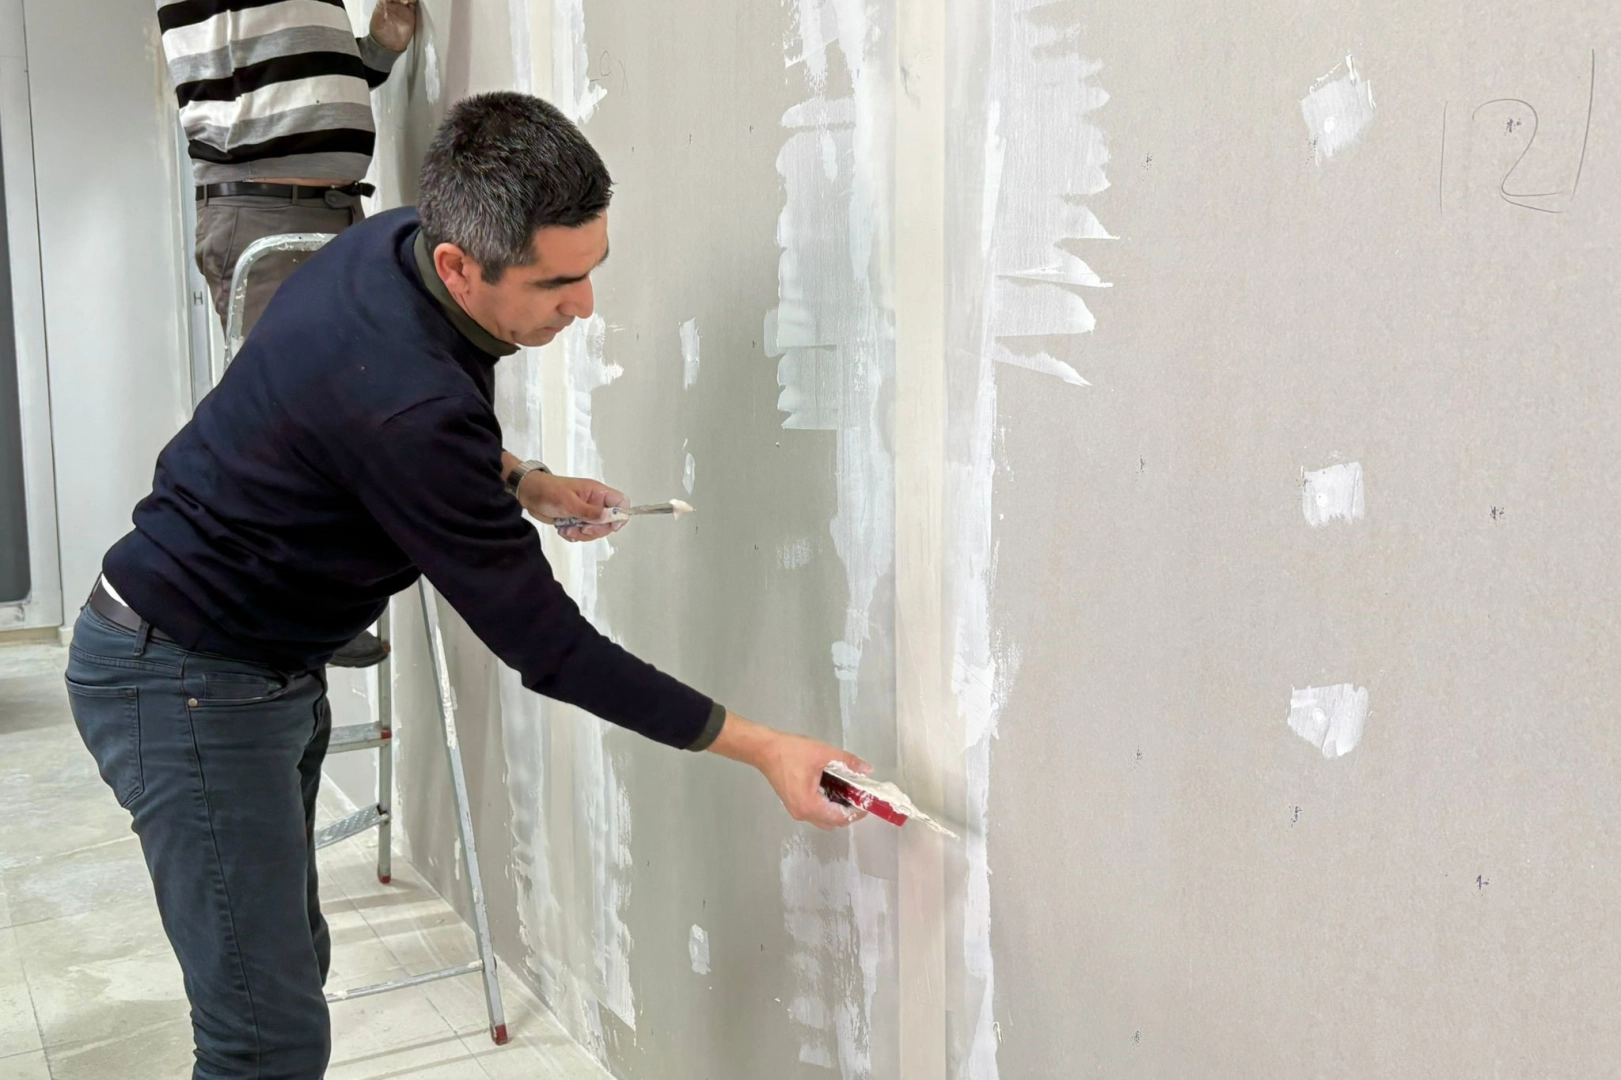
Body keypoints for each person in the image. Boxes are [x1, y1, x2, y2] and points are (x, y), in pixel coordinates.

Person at [64, 91, 869, 1080]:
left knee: (285, 973)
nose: (583, 305)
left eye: (592, 269)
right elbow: (552, 650)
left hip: (252, 663)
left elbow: (382, 423)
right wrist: (766, 748)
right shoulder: (409, 406)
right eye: (555, 283)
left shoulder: (393, 245)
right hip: (186, 680)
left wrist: (524, 482)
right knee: (262, 1040)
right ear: (459, 265)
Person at [157, 0, 421, 668]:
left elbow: (285, 82)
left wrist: (374, 51)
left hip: (327, 211)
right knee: (289, 428)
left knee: (350, 415)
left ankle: (318, 597)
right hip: (264, 213)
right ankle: (289, 605)